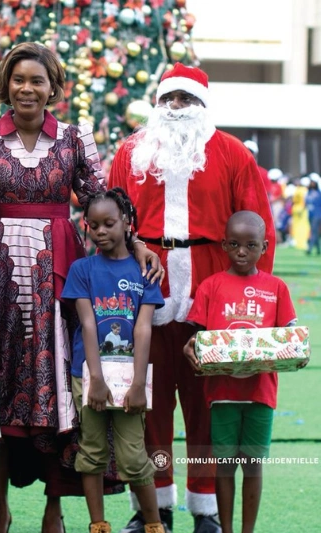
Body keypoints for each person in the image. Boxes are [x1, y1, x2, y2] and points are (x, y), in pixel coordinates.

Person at [0, 42, 160, 533]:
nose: (27, 88)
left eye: (38, 80)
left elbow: (100, 201)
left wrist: (137, 245)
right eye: (19, 79)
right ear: (5, 84)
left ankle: (56, 506)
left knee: (59, 393)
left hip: (60, 274)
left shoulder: (75, 137)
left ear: (54, 88)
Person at [108, 63, 275, 533]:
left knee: (207, 408)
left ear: (203, 105)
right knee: (150, 408)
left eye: (187, 100)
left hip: (214, 294)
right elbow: (110, 219)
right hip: (144, 294)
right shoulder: (132, 153)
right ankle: (154, 507)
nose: (177, 108)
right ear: (158, 104)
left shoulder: (232, 154)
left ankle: (205, 510)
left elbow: (259, 225)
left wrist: (253, 297)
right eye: (170, 99)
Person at [183, 211, 297, 533]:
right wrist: (191, 348)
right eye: (234, 244)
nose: (242, 251)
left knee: (253, 465)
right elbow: (196, 338)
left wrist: (297, 348)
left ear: (265, 246)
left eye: (250, 245)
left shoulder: (276, 288)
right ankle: (227, 530)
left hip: (261, 393)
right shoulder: (211, 286)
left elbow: (290, 337)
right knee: (224, 466)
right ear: (223, 245)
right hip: (222, 394)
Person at [62, 189, 166, 533]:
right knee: (91, 453)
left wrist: (138, 386)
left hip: (130, 381)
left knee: (134, 458)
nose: (100, 231)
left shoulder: (144, 273)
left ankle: (154, 526)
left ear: (126, 222)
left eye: (108, 224)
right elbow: (87, 324)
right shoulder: (82, 269)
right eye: (93, 225)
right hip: (90, 376)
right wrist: (96, 379)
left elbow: (143, 330)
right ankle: (98, 526)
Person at [305, 178, 321, 255]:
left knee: (313, 231)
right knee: (315, 231)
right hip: (310, 214)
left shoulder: (319, 193)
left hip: (317, 214)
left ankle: (310, 248)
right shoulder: (309, 192)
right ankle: (318, 249)